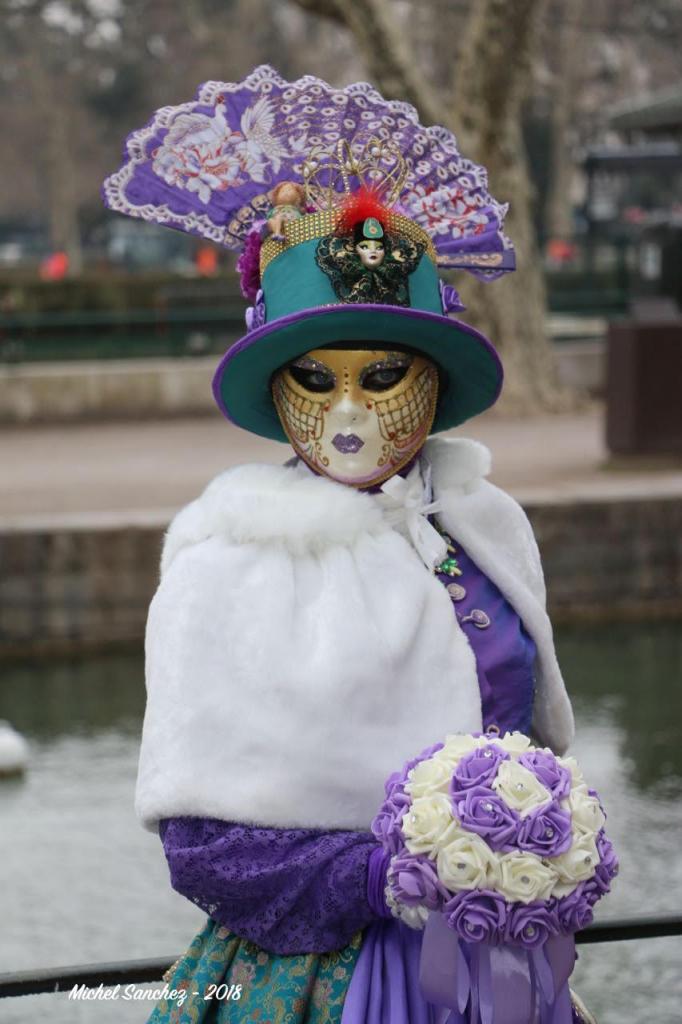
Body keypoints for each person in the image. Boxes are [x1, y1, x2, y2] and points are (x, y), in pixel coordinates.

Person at [103, 66, 592, 1023]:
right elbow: (205, 843)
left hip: (503, 965)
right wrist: (398, 877)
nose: (354, 412)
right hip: (319, 982)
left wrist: (533, 850)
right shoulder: (228, 558)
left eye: (383, 373)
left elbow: (533, 737)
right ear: (276, 388)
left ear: (436, 380)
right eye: (316, 380)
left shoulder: (483, 524)